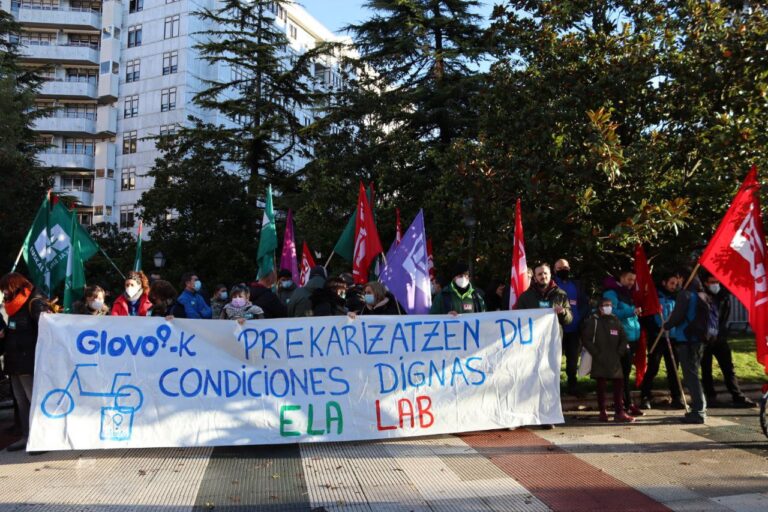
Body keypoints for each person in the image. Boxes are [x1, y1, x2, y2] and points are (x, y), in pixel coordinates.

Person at [0, 273, 51, 451]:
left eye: (6, 288)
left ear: (16, 286)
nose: (4, 292)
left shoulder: (34, 303)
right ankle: (26, 436)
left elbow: (47, 332)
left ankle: (42, 439)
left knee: (34, 400)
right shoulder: (12, 307)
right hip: (14, 362)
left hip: (29, 362)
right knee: (22, 403)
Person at [701, 274, 755, 408]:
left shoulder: (723, 297)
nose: (715, 284)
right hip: (705, 339)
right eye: (712, 282)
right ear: (706, 283)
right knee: (706, 369)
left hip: (720, 337)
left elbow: (724, 316)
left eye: (717, 282)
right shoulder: (702, 297)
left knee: (728, 368)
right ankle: (710, 396)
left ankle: (737, 395)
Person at [663, 271, 709, 424]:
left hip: (687, 339)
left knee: (691, 376)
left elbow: (677, 316)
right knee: (695, 374)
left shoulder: (685, 295)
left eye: (678, 278)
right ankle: (700, 409)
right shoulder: (702, 294)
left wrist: (667, 325)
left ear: (683, 277)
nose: (677, 282)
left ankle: (698, 412)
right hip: (699, 339)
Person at [582, 298, 635, 423]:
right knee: (601, 386)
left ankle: (619, 412)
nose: (609, 307)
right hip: (599, 358)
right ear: (600, 307)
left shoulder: (615, 320)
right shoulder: (593, 321)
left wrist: (620, 352)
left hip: (615, 358)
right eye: (606, 305)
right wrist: (596, 353)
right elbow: (586, 339)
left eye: (610, 305)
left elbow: (623, 338)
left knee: (619, 385)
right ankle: (602, 411)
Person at [639, 271, 684, 410]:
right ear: (664, 282)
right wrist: (655, 329)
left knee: (673, 369)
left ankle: (676, 397)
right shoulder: (655, 296)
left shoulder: (678, 297)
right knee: (653, 367)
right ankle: (645, 396)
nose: (674, 286)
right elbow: (646, 317)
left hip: (673, 337)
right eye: (671, 283)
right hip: (657, 337)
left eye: (676, 284)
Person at [602, 269, 644, 417]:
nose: (631, 283)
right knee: (621, 374)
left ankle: (627, 403)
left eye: (633, 280)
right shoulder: (611, 294)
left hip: (632, 337)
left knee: (626, 373)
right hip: (619, 339)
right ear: (621, 277)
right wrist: (631, 311)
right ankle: (623, 405)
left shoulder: (627, 293)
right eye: (629, 279)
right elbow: (611, 314)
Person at [553, 258, 589, 395]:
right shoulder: (552, 284)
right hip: (556, 329)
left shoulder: (576, 284)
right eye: (560, 268)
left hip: (574, 328)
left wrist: (579, 317)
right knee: (554, 359)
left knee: (573, 359)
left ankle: (572, 385)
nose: (563, 270)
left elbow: (585, 303)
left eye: (565, 267)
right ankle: (555, 387)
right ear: (554, 270)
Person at [515, 262, 572, 330]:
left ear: (550, 275)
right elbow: (518, 318)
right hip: (533, 337)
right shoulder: (525, 297)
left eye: (545, 273)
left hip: (553, 338)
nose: (543, 276)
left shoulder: (561, 294)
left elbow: (569, 320)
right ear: (535, 277)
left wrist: (563, 312)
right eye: (539, 274)